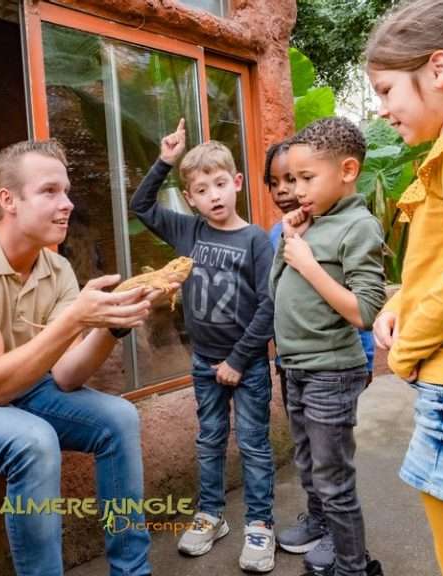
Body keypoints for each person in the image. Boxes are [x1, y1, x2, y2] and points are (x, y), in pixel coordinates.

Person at [0, 139, 161, 576]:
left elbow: (68, 376)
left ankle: (132, 570)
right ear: (8, 200)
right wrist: (73, 320)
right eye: (50, 191)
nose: (67, 204)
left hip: (29, 388)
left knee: (120, 417)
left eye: (67, 191)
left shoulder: (58, 269)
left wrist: (112, 325)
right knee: (34, 441)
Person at [366, 1, 443, 574]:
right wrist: (401, 301)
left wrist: (408, 351)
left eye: (387, 89)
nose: (382, 108)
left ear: (438, 69)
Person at [130, 120, 276, 573]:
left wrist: (238, 360)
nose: (213, 195)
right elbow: (141, 205)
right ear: (190, 198)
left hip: (246, 365)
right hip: (204, 363)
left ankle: (260, 524)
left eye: (219, 184)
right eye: (200, 189)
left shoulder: (254, 240)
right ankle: (211, 515)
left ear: (235, 183)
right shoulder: (190, 232)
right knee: (209, 441)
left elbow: (269, 306)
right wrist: (165, 161)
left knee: (253, 444)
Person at [270, 117, 386, 576]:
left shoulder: (358, 226)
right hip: (296, 366)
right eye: (292, 179)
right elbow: (278, 287)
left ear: (347, 170)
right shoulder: (312, 224)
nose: (297, 189)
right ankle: (321, 528)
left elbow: (365, 311)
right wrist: (293, 238)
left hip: (331, 372)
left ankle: (352, 565)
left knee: (334, 478)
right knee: (308, 462)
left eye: (306, 178)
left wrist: (308, 262)